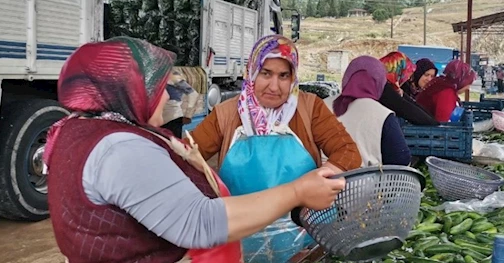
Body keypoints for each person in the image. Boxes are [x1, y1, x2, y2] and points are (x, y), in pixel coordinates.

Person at [45, 37, 344, 263]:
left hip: (274, 246)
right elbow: (201, 222)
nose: (168, 97)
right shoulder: (119, 148)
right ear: (127, 90)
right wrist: (296, 192)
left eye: (284, 75)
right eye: (158, 87)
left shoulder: (79, 132)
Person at [191, 35, 361, 190]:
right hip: (240, 214)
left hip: (300, 214)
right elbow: (187, 156)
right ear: (252, 73)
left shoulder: (310, 108)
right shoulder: (226, 114)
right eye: (266, 74)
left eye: (283, 76)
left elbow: (347, 151)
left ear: (293, 78)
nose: (274, 87)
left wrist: (317, 182)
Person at [326, 56, 411, 166]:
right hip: (365, 176)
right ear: (380, 82)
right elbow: (401, 159)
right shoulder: (382, 114)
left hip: (317, 174)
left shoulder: (320, 105)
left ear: (347, 77)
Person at [378, 51, 439, 125]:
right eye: (404, 74)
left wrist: (433, 122)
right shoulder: (384, 89)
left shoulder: (385, 86)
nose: (407, 78)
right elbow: (407, 108)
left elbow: (412, 104)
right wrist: (434, 124)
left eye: (432, 76)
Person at [162, 67, 198, 138]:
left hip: (172, 118)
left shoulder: (172, 75)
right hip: (161, 119)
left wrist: (188, 115)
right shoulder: (155, 75)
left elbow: (193, 94)